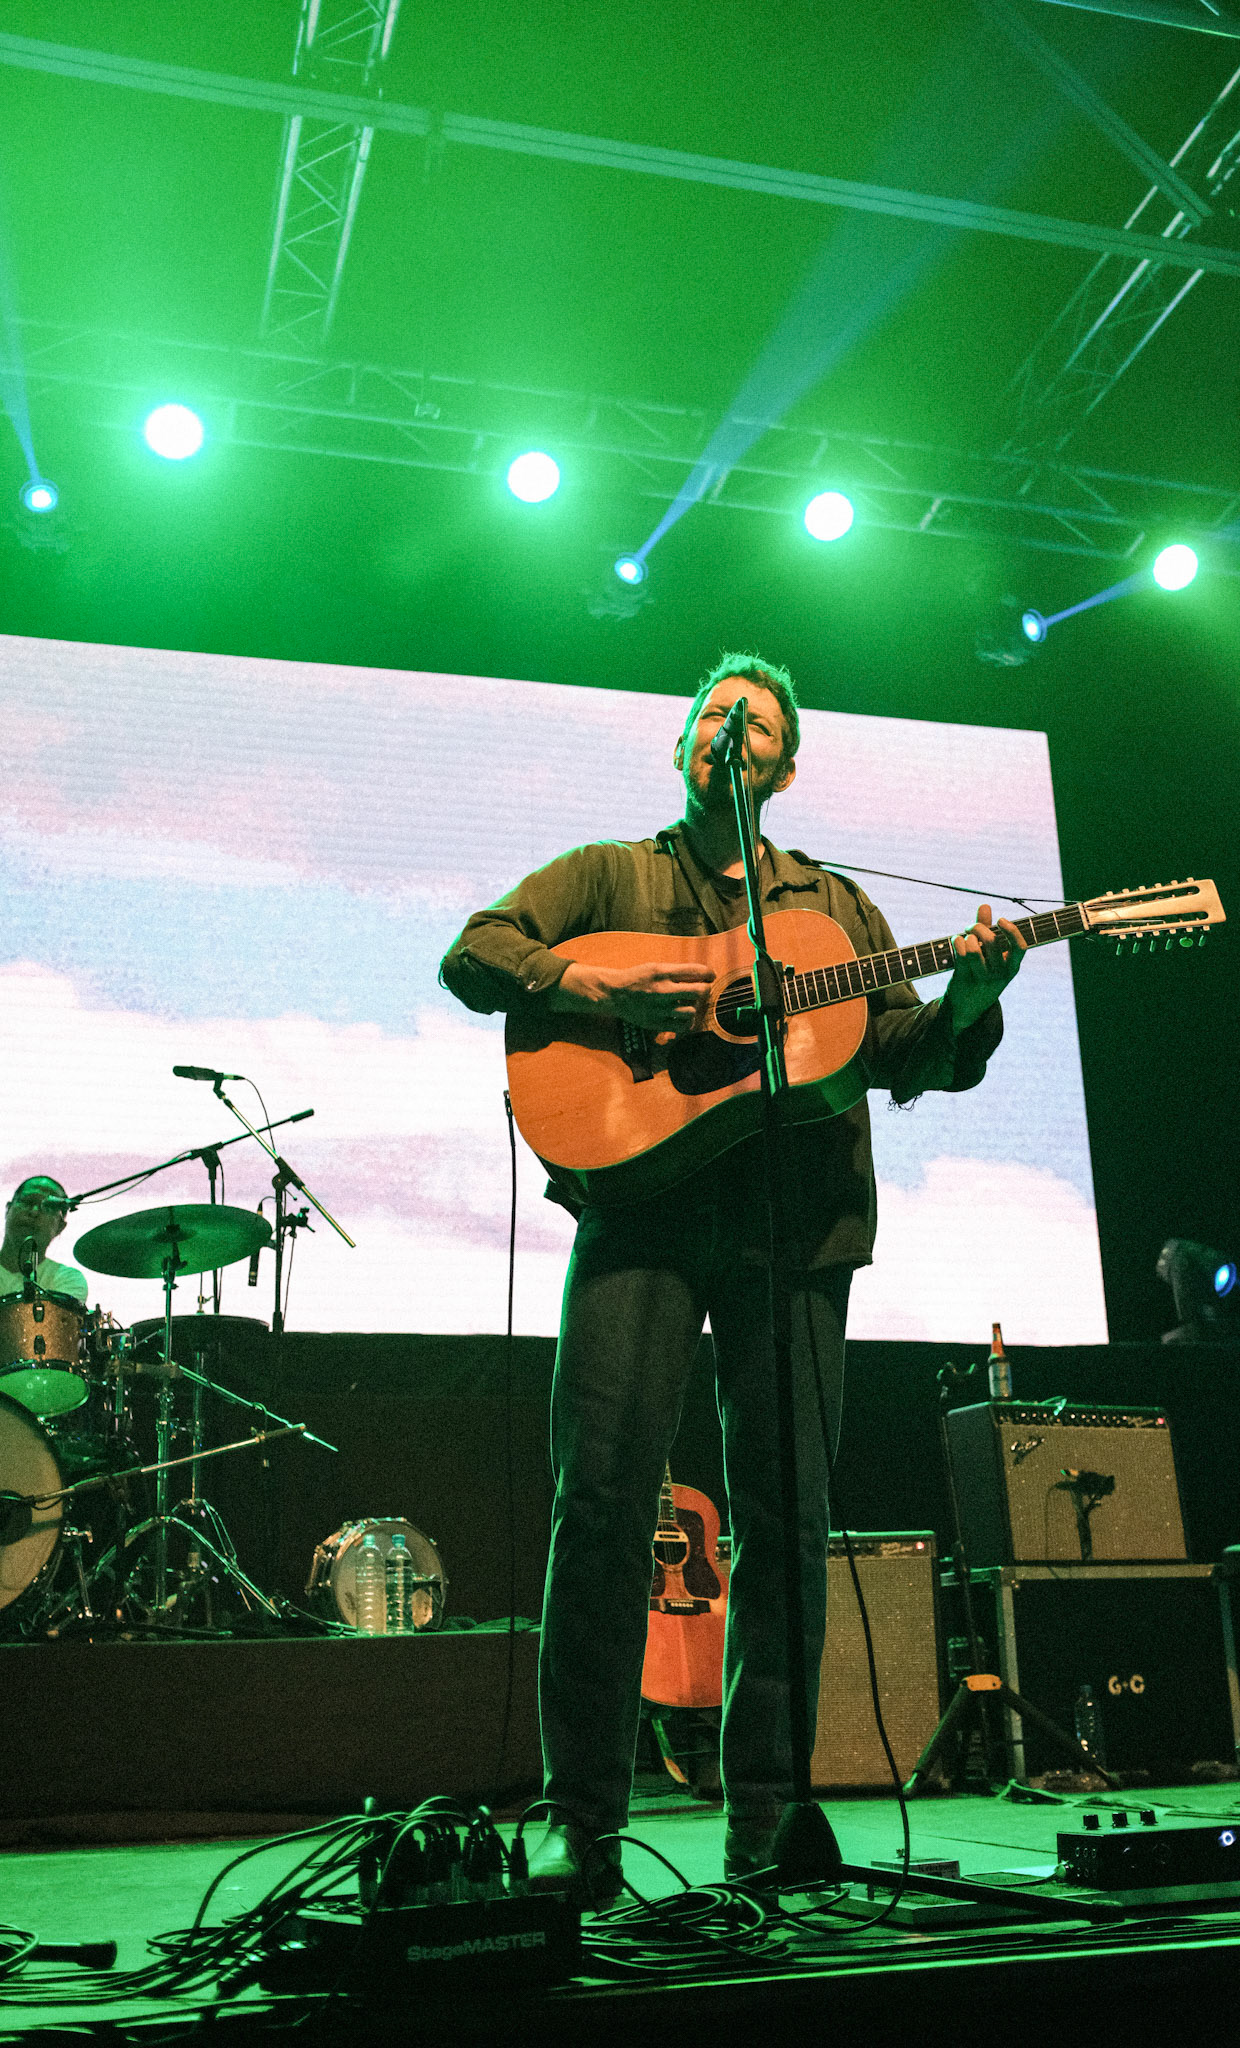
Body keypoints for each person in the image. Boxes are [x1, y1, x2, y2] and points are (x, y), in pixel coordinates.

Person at [441, 652, 1024, 1897]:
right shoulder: (610, 875)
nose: (730, 729)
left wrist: (971, 996)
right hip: (640, 1214)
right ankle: (579, 1822)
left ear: (785, 767)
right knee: (602, 1506)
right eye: (714, 713)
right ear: (683, 747)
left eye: (756, 723)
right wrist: (586, 978)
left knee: (786, 1522)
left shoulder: (834, 907)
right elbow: (475, 950)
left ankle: (767, 1819)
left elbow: (906, 1049)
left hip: (795, 1225)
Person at [0, 1176, 87, 1304]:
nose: (34, 1212)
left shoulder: (67, 1278)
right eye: (27, 1202)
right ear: (8, 1210)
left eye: (48, 1207)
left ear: (60, 1227)